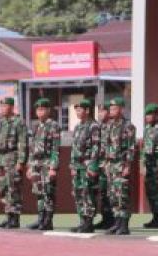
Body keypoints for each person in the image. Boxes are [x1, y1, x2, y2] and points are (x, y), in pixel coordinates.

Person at [100, 96, 137, 235]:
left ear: (121, 109)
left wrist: (127, 165)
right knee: (112, 195)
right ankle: (116, 222)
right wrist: (105, 163)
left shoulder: (128, 126)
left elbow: (131, 148)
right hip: (110, 165)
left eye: (114, 108)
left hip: (121, 164)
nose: (111, 110)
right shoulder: (108, 126)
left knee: (122, 194)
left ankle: (124, 224)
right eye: (110, 108)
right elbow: (105, 145)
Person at [0, 97, 28, 229]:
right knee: (3, 188)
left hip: (12, 158)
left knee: (13, 188)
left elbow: (23, 143)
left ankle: (15, 218)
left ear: (12, 107)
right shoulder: (1, 123)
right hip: (1, 159)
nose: (2, 109)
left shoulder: (19, 122)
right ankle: (8, 216)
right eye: (1, 106)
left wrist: (21, 162)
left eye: (5, 106)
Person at [26, 97, 61, 231]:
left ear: (48, 110)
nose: (40, 112)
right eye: (38, 109)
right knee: (39, 192)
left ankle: (48, 220)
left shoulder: (53, 126)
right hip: (36, 163)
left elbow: (55, 148)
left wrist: (53, 167)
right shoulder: (36, 126)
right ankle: (40, 218)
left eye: (42, 109)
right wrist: (30, 166)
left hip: (47, 162)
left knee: (48, 192)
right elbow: (32, 148)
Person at [68, 99, 100, 233]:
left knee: (88, 193)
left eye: (80, 109)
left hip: (87, 165)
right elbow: (74, 147)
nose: (77, 112)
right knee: (78, 193)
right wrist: (72, 165)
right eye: (76, 109)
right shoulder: (77, 127)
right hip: (77, 165)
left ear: (87, 110)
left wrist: (93, 165)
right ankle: (82, 221)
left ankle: (88, 222)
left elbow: (96, 147)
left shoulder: (93, 126)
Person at [141, 103, 158, 229]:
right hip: (149, 164)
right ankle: (155, 217)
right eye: (146, 114)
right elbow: (144, 148)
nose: (148, 117)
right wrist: (143, 163)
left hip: (157, 163)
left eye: (150, 114)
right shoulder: (147, 129)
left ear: (156, 115)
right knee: (150, 192)